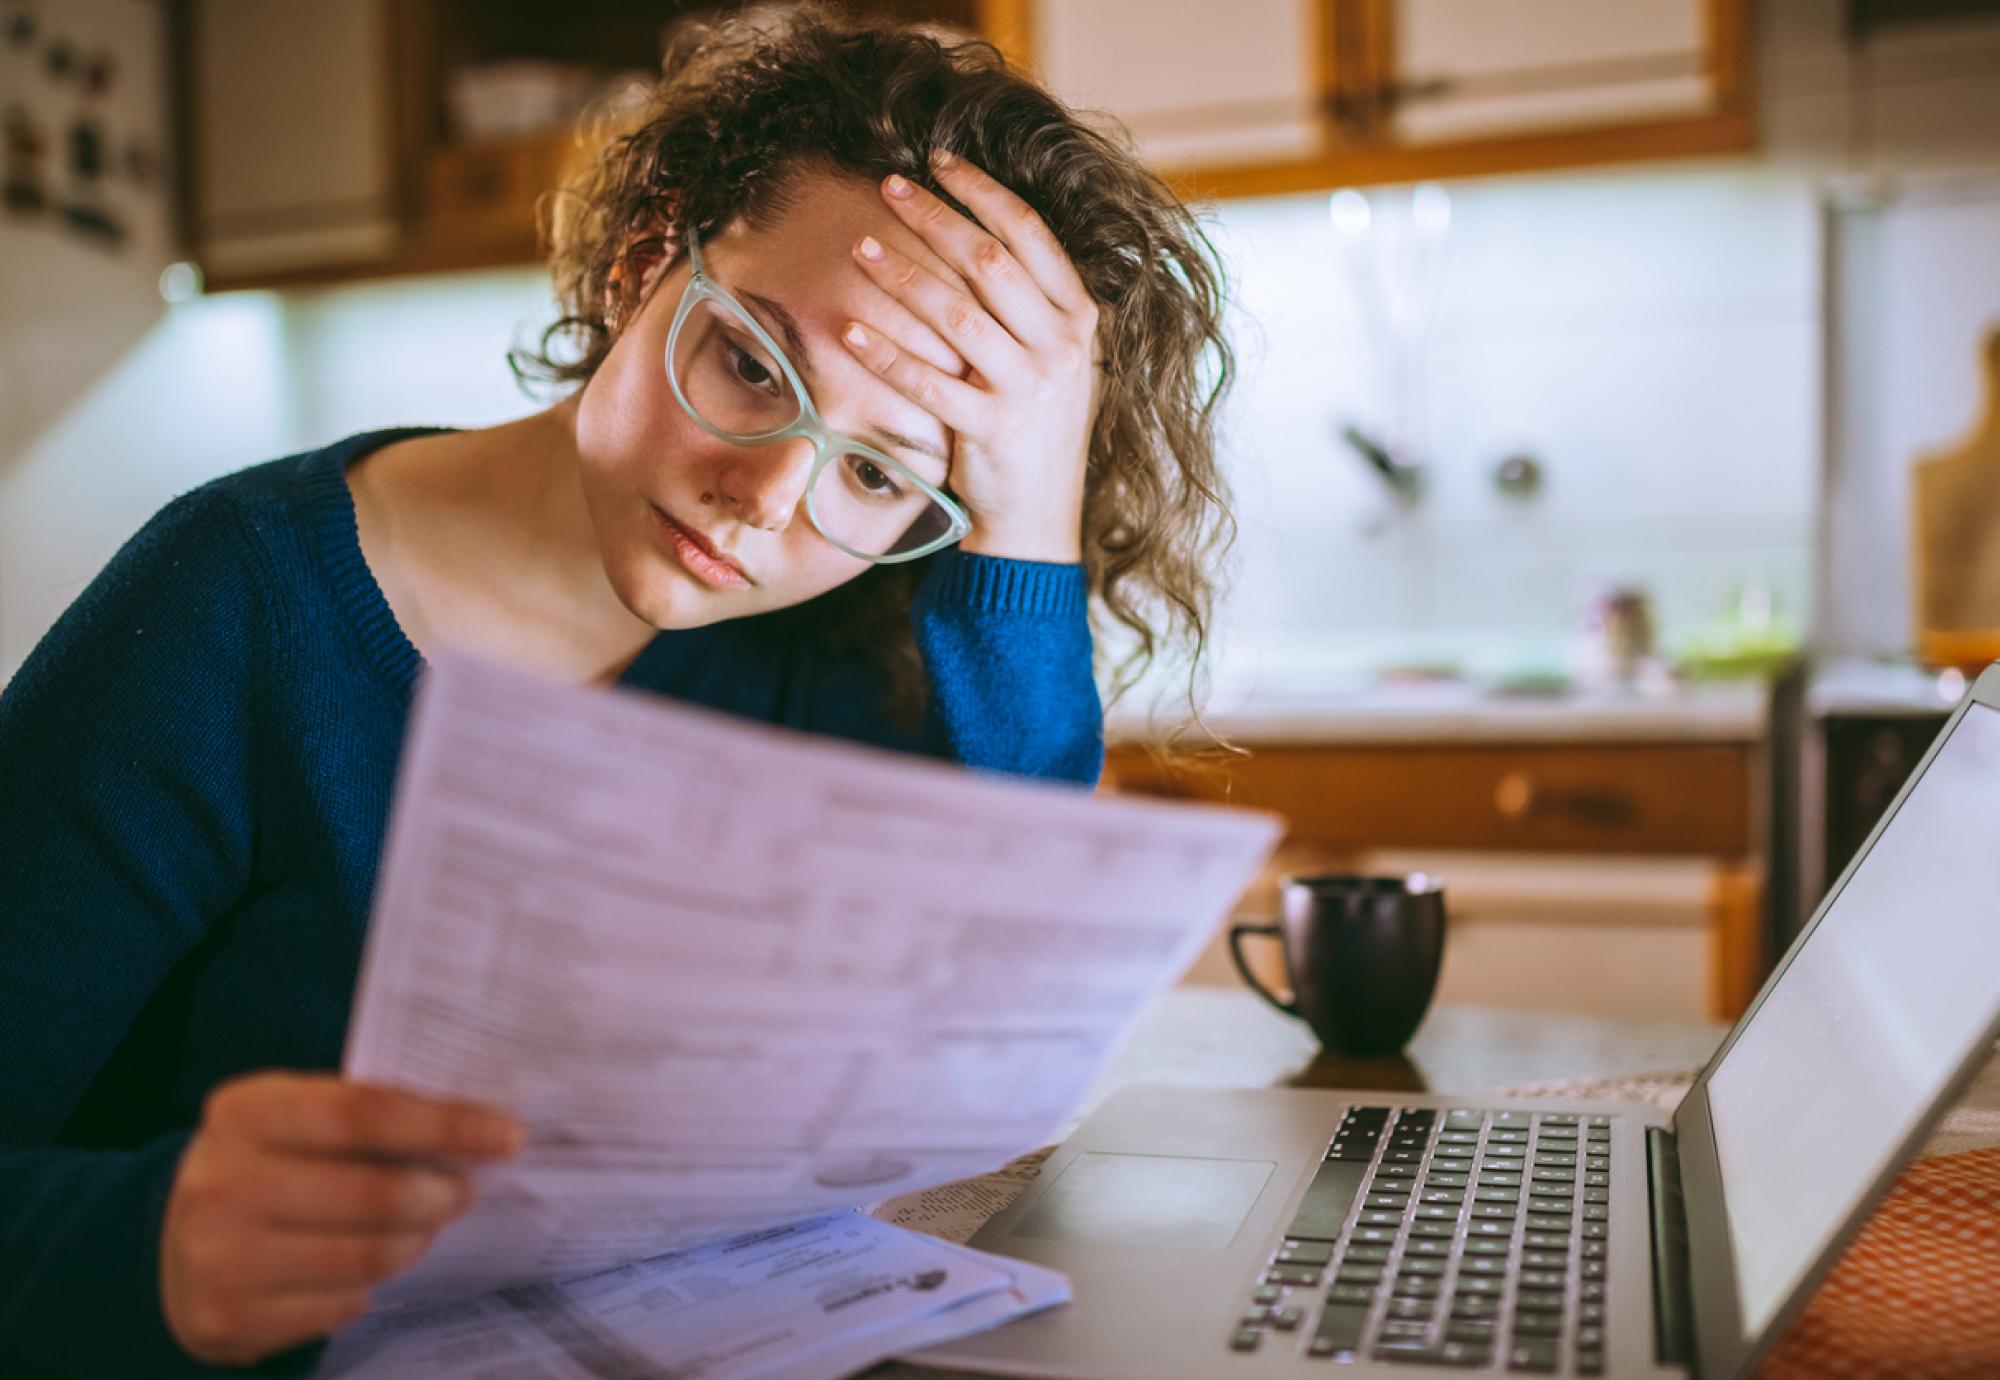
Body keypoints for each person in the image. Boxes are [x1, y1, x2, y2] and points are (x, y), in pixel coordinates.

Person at [0, 7, 1233, 1375]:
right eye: (751, 365)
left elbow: (1000, 1024)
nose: (766, 502)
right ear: (649, 260)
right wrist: (153, 1242)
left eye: (880, 475)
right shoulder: (231, 604)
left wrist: (1028, 525)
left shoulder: (841, 655)